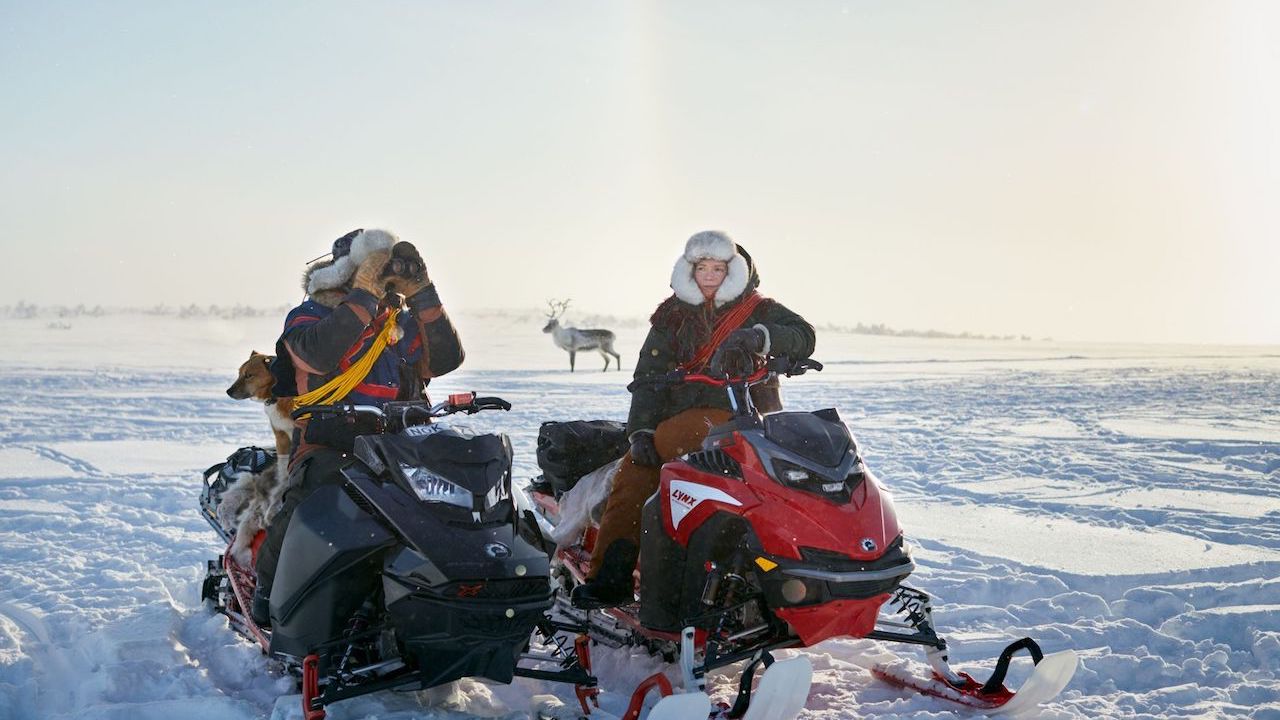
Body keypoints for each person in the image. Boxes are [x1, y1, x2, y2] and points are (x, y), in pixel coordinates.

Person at [571, 230, 815, 609]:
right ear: (690, 270)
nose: (710, 275)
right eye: (702, 267)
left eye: (719, 268)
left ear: (735, 272)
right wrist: (641, 431)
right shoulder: (671, 317)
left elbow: (804, 335)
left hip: (752, 419)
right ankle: (612, 577)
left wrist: (759, 338)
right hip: (682, 420)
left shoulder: (758, 310)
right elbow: (648, 378)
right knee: (639, 466)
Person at [251, 228, 464, 626]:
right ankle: (269, 584)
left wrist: (423, 294)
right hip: (332, 441)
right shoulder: (310, 315)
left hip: (402, 442)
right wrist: (363, 296)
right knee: (314, 497)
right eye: (372, 271)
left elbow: (445, 360)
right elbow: (317, 354)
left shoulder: (397, 324)